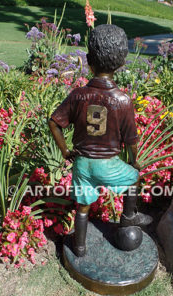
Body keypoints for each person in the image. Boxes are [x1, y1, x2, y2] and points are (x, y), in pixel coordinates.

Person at [49, 24, 152, 257]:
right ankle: (128, 216)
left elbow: (54, 122)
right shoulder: (123, 100)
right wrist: (134, 161)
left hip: (83, 164)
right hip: (108, 164)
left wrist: (65, 151)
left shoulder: (78, 95)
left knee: (83, 207)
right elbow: (131, 140)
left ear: (88, 60)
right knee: (133, 178)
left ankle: (80, 247)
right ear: (122, 63)